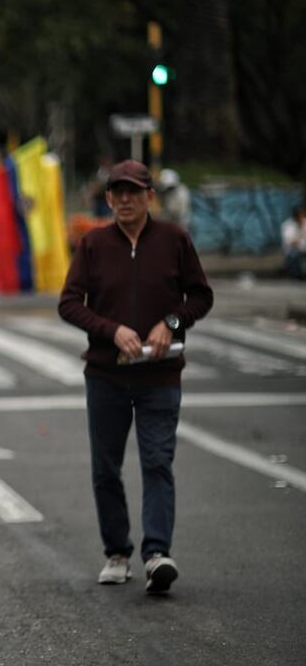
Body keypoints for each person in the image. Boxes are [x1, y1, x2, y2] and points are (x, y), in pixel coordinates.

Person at [58, 159, 213, 595]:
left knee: (157, 463)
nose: (125, 199)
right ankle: (117, 552)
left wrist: (172, 324)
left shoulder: (174, 239)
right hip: (106, 374)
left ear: (150, 196)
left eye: (134, 191)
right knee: (106, 468)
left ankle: (157, 554)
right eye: (117, 192)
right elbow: (69, 303)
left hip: (161, 375)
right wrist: (111, 330)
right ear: (107, 198)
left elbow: (200, 296)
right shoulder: (92, 244)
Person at [281, 206, 306, 280]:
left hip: (303, 247)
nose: (301, 217)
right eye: (299, 215)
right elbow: (289, 241)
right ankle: (296, 275)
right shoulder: (288, 225)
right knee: (293, 254)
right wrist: (300, 235)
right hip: (293, 249)